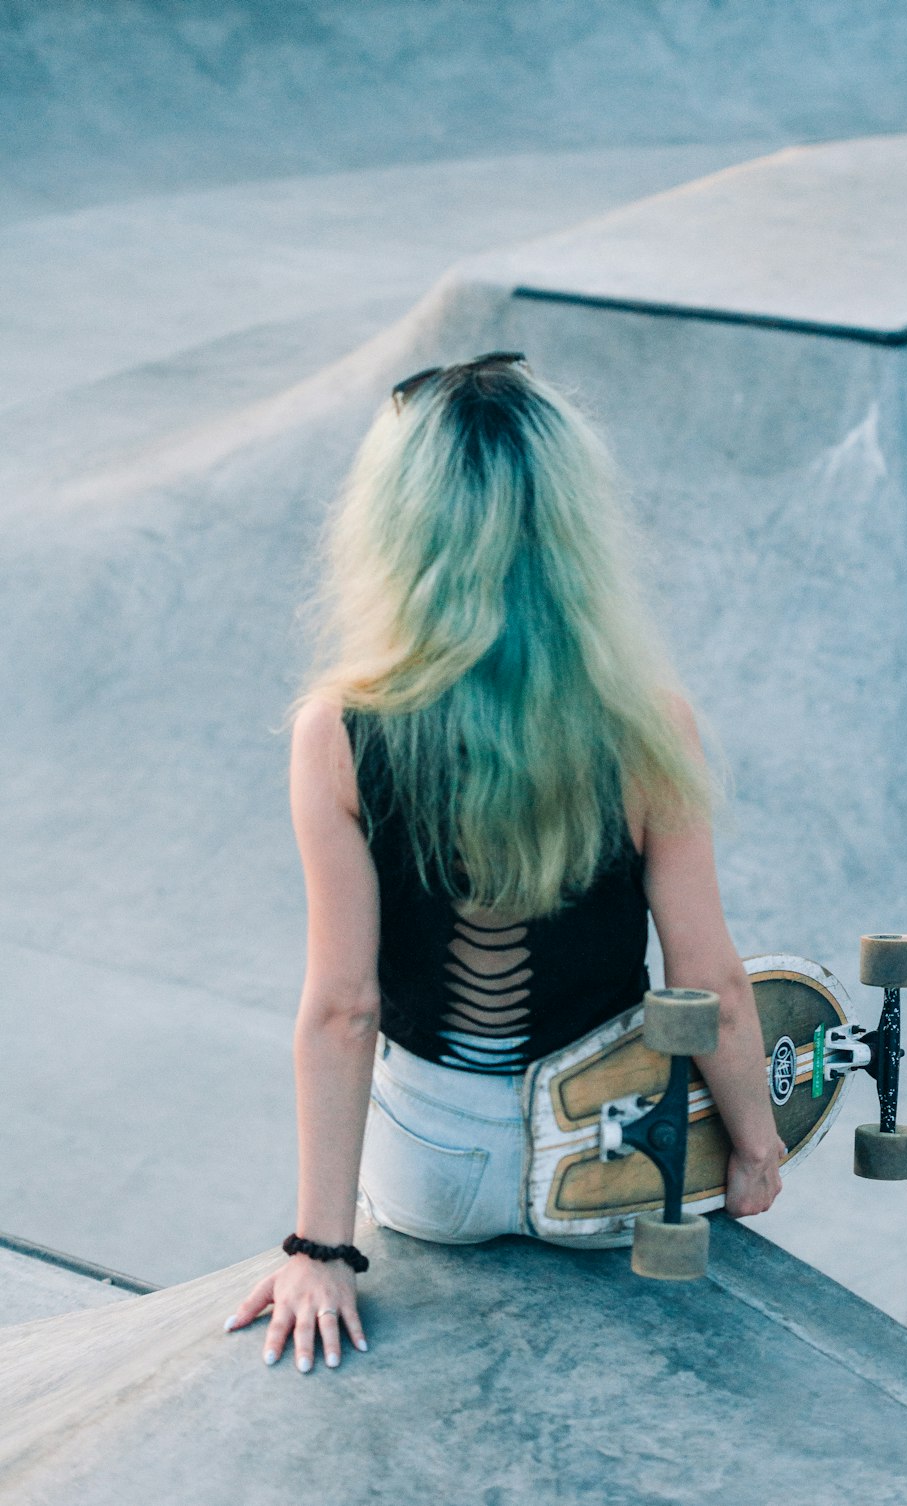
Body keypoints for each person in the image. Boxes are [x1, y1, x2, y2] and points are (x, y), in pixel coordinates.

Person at [224, 352, 783, 1373]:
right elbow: (710, 983)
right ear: (571, 531)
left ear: (395, 529)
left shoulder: (340, 732)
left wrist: (319, 1247)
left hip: (430, 1177)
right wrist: (752, 1146)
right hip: (607, 1165)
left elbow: (343, 1008)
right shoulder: (648, 727)